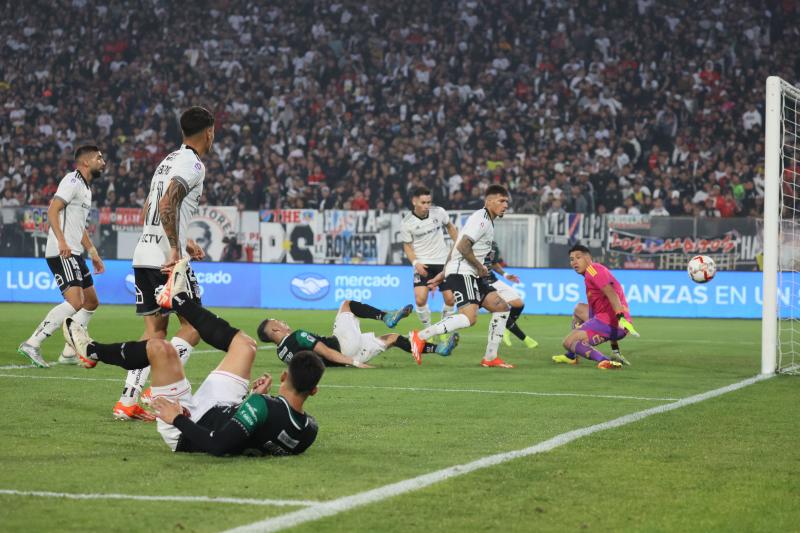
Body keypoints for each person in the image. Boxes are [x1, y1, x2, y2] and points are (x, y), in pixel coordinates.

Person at [63, 256, 325, 456]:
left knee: (160, 348)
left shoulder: (264, 407)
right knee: (246, 346)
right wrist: (252, 400)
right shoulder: (309, 430)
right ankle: (177, 299)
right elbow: (258, 436)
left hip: (189, 426)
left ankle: (91, 351)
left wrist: (175, 418)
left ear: (284, 374)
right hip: (225, 407)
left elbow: (218, 444)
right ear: (314, 390)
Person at [115, 106, 214, 420]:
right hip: (166, 260)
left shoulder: (167, 160)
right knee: (195, 325)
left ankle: (127, 402)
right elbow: (167, 202)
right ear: (209, 132)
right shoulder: (193, 164)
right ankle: (157, 391)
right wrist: (175, 248)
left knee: (154, 334)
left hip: (143, 254)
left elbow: (148, 211)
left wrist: (184, 239)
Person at [17, 145, 107, 368]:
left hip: (74, 251)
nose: (103, 162)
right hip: (62, 251)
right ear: (85, 162)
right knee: (75, 301)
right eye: (99, 158)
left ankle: (69, 352)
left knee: (92, 301)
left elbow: (79, 227)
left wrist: (93, 252)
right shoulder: (73, 180)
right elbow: (52, 210)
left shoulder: (86, 189)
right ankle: (32, 343)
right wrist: (62, 241)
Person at [410, 185, 515, 368]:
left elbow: (457, 244)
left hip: (467, 272)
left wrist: (443, 272)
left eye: (506, 201)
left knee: (502, 308)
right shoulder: (482, 220)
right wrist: (479, 267)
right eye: (501, 201)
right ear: (489, 201)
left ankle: (490, 358)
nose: (505, 205)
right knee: (469, 318)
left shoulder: (485, 219)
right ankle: (420, 336)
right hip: (464, 272)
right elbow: (463, 247)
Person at [258, 300, 459, 367]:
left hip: (344, 359)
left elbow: (320, 359)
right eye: (280, 322)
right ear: (275, 330)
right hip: (343, 348)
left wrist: (350, 362)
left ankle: (439, 348)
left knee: (394, 339)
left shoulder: (281, 353)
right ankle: (385, 316)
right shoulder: (297, 336)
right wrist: (354, 362)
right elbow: (325, 351)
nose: (284, 323)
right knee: (347, 304)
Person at [552, 244, 638, 369]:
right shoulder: (593, 272)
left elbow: (611, 293)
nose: (574, 262)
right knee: (579, 309)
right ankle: (572, 356)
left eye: (578, 257)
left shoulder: (593, 270)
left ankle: (605, 361)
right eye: (571, 259)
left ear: (587, 258)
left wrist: (620, 318)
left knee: (568, 342)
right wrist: (615, 350)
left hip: (612, 323)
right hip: (610, 321)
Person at [400, 187, 459, 332]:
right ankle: (428, 330)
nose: (427, 206)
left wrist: (458, 245)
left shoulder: (439, 212)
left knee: (451, 299)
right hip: (423, 263)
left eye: (429, 202)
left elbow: (450, 228)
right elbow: (407, 246)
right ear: (414, 202)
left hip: (443, 262)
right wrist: (415, 263)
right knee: (420, 299)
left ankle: (444, 329)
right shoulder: (407, 222)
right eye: (423, 202)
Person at [483, 241, 539, 350]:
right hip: (481, 282)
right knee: (501, 310)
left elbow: (493, 263)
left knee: (519, 304)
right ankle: (525, 338)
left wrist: (505, 274)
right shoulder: (473, 244)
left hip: (493, 279)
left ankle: (506, 329)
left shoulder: (493, 245)